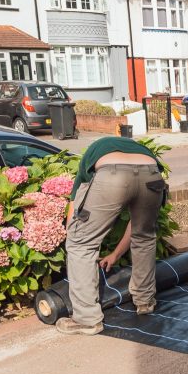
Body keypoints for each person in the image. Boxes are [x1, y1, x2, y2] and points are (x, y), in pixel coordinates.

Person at [55, 136, 166, 335]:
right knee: (145, 237)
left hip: (112, 174)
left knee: (81, 244)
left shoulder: (88, 161)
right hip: (152, 173)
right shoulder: (136, 148)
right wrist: (115, 254)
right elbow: (136, 228)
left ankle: (87, 319)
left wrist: (72, 236)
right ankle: (145, 302)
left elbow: (76, 210)